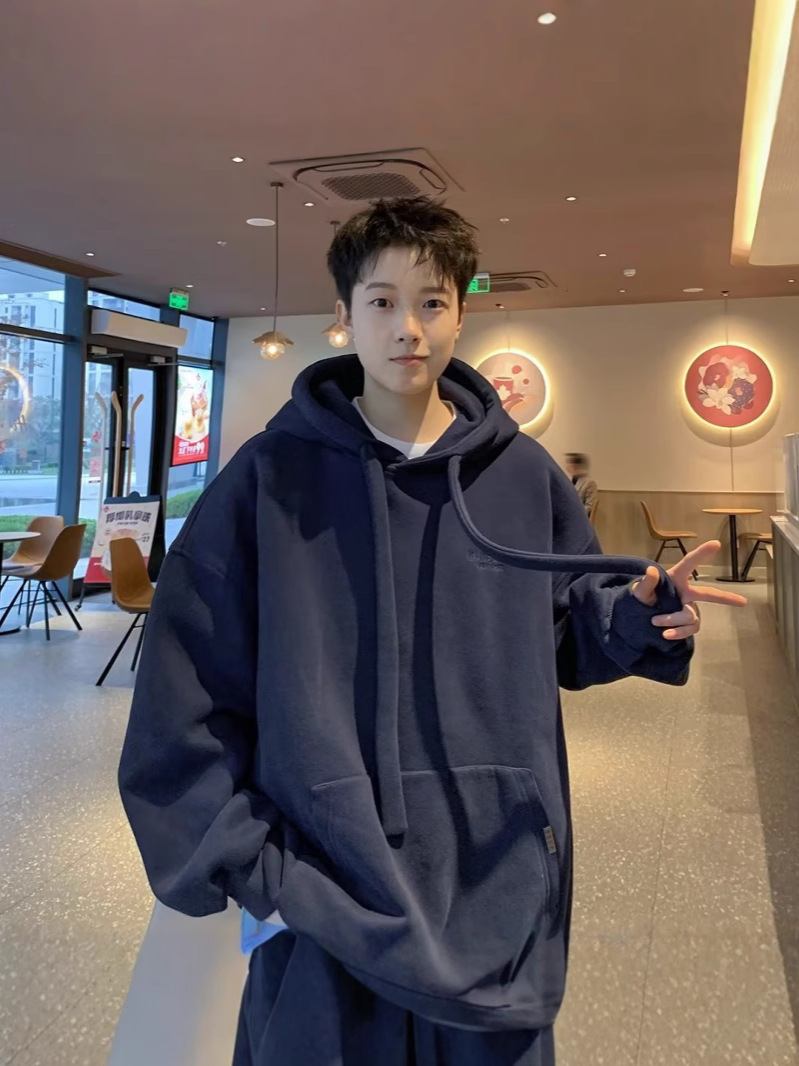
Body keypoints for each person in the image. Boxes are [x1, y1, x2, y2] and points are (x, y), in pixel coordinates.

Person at [118, 197, 745, 1066]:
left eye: (431, 302)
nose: (406, 327)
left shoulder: (520, 475)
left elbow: (569, 629)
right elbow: (184, 687)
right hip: (324, 897)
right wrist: (256, 871)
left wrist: (640, 617)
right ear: (344, 315)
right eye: (381, 301)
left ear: (460, 315)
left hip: (495, 891)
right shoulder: (270, 479)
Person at [564, 452, 598, 517]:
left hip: (579, 517)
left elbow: (589, 506)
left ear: (576, 465)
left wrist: (574, 514)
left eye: (569, 463)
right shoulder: (569, 480)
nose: (567, 466)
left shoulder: (589, 483)